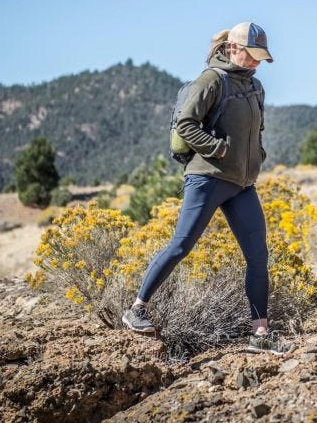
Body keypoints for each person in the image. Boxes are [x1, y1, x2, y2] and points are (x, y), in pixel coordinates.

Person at [122, 22, 290, 354]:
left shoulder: (255, 87)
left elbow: (257, 130)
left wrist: (257, 155)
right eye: (252, 55)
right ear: (232, 49)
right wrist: (218, 149)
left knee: (258, 257)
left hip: (243, 184)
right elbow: (186, 124)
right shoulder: (211, 80)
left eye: (261, 57)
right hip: (208, 177)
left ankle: (260, 334)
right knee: (181, 245)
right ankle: (137, 309)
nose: (256, 62)